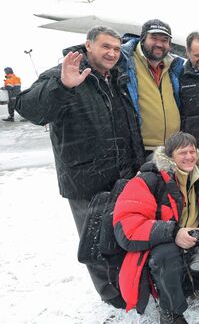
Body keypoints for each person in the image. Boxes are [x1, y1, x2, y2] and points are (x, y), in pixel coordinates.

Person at [15, 26, 145, 308]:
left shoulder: (115, 77)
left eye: (115, 48)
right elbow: (29, 108)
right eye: (105, 47)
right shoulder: (63, 73)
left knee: (120, 234)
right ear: (88, 45)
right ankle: (111, 293)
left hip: (120, 174)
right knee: (95, 243)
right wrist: (61, 87)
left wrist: (137, 165)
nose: (112, 53)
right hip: (85, 178)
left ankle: (126, 282)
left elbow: (128, 124)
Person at [114, 131, 199, 323]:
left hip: (195, 244)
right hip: (164, 245)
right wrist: (173, 232)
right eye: (182, 152)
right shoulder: (149, 180)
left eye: (192, 151)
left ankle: (182, 281)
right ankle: (171, 311)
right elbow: (126, 226)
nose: (189, 157)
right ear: (170, 156)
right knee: (166, 255)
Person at [121, 19, 184, 156]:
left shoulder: (173, 66)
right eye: (154, 38)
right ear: (143, 39)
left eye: (164, 40)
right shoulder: (126, 61)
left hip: (172, 148)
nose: (159, 44)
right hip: (142, 149)